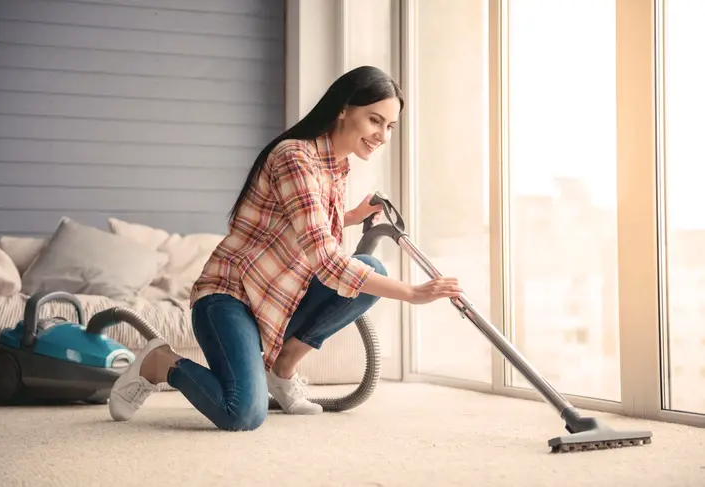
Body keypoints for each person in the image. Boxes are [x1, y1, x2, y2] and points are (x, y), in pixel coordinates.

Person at [107, 65, 464, 430]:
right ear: (343, 108)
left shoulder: (338, 167)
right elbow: (325, 260)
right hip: (230, 297)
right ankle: (159, 362)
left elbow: (302, 220)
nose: (382, 136)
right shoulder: (294, 156)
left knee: (373, 266)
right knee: (242, 413)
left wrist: (353, 215)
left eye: (390, 126)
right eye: (375, 120)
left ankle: (283, 368)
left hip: (280, 298)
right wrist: (411, 293)